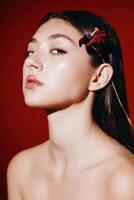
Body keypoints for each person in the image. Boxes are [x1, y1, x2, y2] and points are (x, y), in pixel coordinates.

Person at [7, 10, 134, 200]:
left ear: (98, 77)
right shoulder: (22, 169)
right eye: (30, 51)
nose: (30, 62)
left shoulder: (124, 179)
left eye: (57, 50)